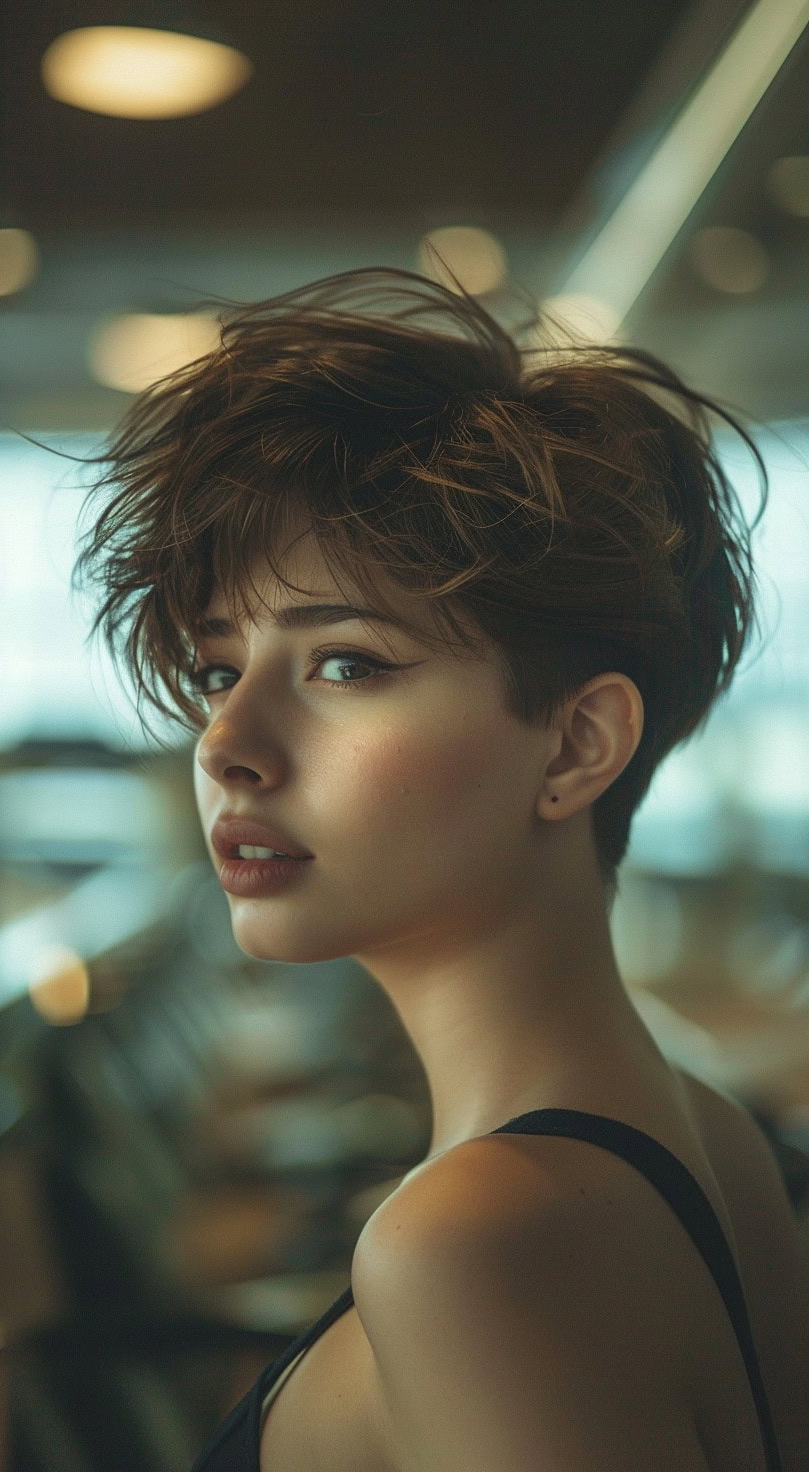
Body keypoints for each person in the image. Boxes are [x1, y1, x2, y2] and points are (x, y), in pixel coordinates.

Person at [71, 266, 808, 1470]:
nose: (227, 744)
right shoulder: (707, 1133)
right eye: (218, 669)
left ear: (576, 744)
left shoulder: (473, 1243)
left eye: (347, 664)